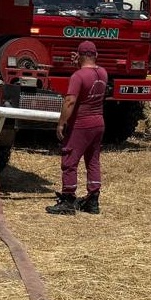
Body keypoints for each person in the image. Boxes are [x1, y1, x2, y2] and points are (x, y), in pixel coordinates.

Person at [48, 41, 108, 215]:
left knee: (70, 160)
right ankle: (93, 200)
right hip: (98, 122)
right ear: (96, 55)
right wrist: (79, 64)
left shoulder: (78, 76)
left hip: (81, 124)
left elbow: (70, 100)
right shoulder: (102, 73)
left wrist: (61, 122)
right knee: (93, 161)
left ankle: (68, 199)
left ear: (80, 55)